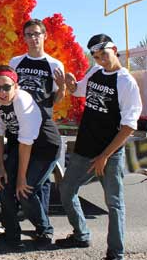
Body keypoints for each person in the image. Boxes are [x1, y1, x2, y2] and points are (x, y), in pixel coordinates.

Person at [56, 34, 142, 260]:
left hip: (109, 155)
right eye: (96, 56)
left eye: (104, 54)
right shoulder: (95, 72)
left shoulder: (126, 82)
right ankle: (81, 234)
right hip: (84, 149)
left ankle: (116, 253)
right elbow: (79, 91)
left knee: (114, 204)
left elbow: (128, 127)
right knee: (66, 190)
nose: (101, 59)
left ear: (114, 49)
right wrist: (69, 84)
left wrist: (105, 156)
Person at [0, 65, 60, 249]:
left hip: (44, 147)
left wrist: (21, 179)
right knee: (2, 185)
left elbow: (26, 144)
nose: (1, 92)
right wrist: (0, 167)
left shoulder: (22, 100)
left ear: (16, 86)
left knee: (25, 191)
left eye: (6, 87)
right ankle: (12, 235)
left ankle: (44, 230)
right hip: (20, 145)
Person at [9, 18, 65, 215]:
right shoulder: (15, 62)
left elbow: (57, 99)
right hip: (19, 127)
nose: (33, 38)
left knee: (37, 182)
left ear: (44, 36)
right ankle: (41, 225)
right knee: (27, 179)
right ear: (24, 38)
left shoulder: (54, 64)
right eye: (29, 35)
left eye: (37, 34)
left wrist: (63, 87)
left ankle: (43, 225)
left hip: (42, 129)